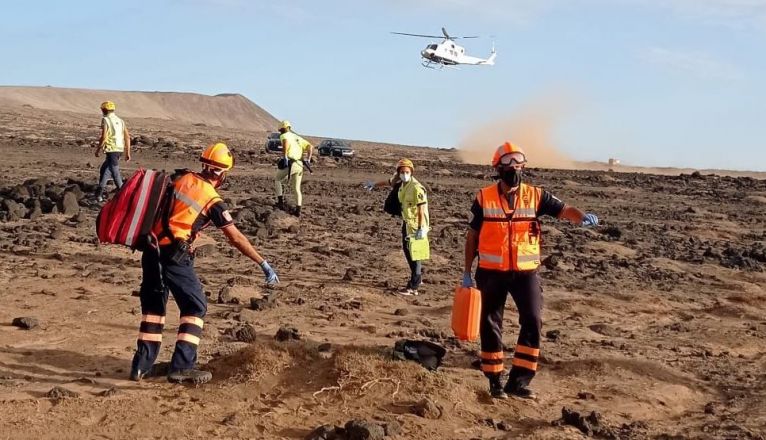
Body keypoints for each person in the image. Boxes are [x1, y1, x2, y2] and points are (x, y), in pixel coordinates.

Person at [130, 142, 280, 385]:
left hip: (150, 248)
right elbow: (235, 236)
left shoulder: (181, 178)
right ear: (222, 173)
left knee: (154, 309)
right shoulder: (212, 199)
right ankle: (182, 366)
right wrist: (262, 263)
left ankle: (140, 368)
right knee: (195, 306)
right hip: (174, 255)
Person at [462, 142, 600, 400]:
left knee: (533, 320)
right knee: (490, 324)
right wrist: (467, 272)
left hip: (526, 273)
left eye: (518, 165)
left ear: (523, 167)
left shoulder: (536, 196)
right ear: (498, 168)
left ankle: (520, 381)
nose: (513, 169)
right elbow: (472, 236)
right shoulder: (484, 197)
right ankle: (494, 380)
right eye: (508, 165)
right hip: (491, 272)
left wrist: (581, 217)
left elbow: (564, 209)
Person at [365, 158, 430, 296]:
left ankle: (413, 286)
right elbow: (389, 182)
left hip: (415, 225)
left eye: (406, 172)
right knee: (409, 251)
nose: (404, 174)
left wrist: (420, 228)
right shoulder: (400, 183)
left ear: (411, 172)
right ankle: (417, 278)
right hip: (407, 222)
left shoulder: (416, 188)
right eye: (401, 172)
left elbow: (421, 209)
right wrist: (374, 185)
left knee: (414, 253)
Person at [275, 120, 313, 217]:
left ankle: (280, 203)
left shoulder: (284, 136)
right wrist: (308, 159)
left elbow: (285, 143)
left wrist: (285, 156)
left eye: (281, 129)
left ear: (283, 129)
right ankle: (298, 210)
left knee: (278, 180)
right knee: (296, 188)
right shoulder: (297, 137)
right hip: (300, 165)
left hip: (291, 163)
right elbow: (310, 146)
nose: (281, 131)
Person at [95, 101, 131, 202]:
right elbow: (127, 137)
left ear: (104, 110)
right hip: (119, 149)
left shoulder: (105, 120)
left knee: (115, 173)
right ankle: (99, 193)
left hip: (111, 150)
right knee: (104, 170)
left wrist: (98, 149)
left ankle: (124, 194)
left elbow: (104, 136)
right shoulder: (120, 121)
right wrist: (127, 152)